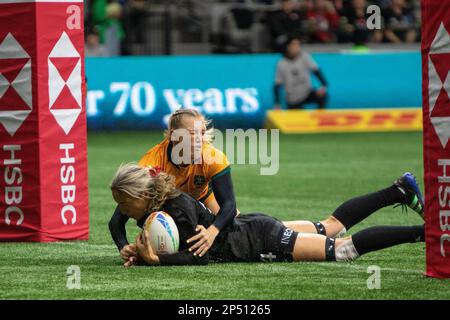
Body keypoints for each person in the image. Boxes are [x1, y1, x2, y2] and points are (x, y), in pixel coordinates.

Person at [111, 163, 425, 266]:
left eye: (124, 204)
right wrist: (137, 252)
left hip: (259, 238)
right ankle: (398, 191)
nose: (122, 212)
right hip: (249, 228)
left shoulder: (175, 207)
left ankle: (425, 233)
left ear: (142, 196)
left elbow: (198, 255)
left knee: (342, 250)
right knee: (328, 227)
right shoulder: (155, 208)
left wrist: (155, 260)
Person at [109, 109, 238, 265]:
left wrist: (212, 232)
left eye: (202, 133)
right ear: (173, 135)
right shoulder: (151, 163)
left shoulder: (214, 157)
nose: (199, 140)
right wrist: (124, 247)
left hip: (202, 198)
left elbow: (229, 206)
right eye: (192, 134)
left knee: (235, 226)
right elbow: (117, 219)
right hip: (169, 206)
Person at [274, 37, 328, 109]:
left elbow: (316, 71)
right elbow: (277, 85)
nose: (297, 47)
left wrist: (323, 85)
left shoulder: (304, 56)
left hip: (307, 92)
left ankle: (319, 116)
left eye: (298, 45)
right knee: (296, 117)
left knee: (323, 96)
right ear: (288, 47)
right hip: (292, 98)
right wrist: (277, 103)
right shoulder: (281, 63)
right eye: (294, 45)